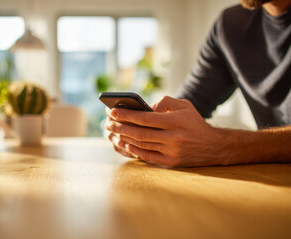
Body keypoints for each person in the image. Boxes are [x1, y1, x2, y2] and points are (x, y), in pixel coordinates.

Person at [105, 0, 291, 167]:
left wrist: (222, 146)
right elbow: (189, 102)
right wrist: (148, 134)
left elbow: (218, 145)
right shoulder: (229, 25)